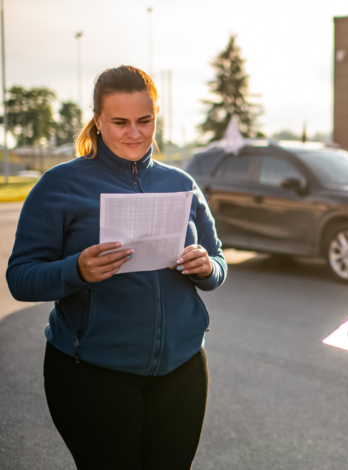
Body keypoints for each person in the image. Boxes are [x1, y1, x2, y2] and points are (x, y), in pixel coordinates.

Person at [6, 66, 227, 469]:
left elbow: (218, 261)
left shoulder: (182, 184)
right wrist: (76, 269)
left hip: (183, 372)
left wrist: (205, 268)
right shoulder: (60, 186)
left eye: (145, 121)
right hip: (93, 375)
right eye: (120, 122)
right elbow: (20, 278)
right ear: (97, 122)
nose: (135, 133)